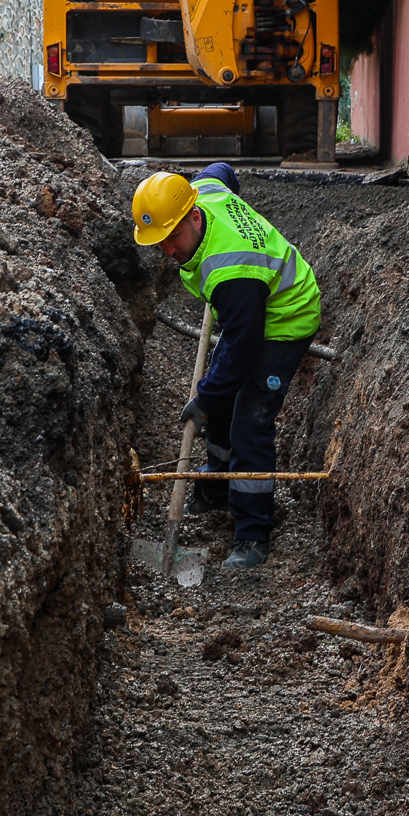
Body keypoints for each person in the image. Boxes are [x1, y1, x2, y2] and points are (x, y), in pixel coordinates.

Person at [130, 163, 321, 569]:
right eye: (159, 241)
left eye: (173, 238)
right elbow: (221, 171)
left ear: (194, 217)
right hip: (251, 312)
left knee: (248, 423)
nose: (167, 251)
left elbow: (243, 346)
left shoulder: (232, 272)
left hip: (286, 317)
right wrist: (213, 395)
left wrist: (204, 398)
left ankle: (252, 534)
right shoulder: (203, 191)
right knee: (221, 393)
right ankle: (218, 484)